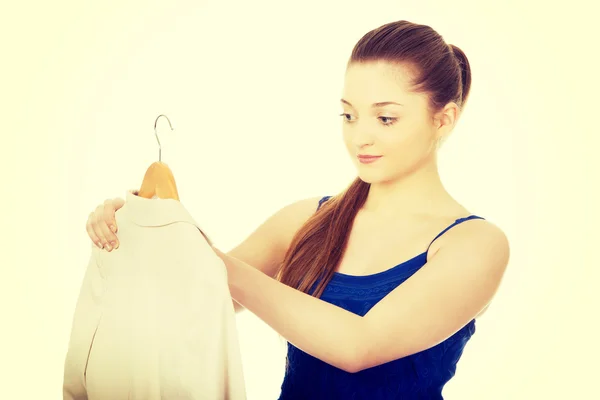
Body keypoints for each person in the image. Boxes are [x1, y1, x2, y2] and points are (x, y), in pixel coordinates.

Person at [84, 19, 510, 399]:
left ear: (444, 119)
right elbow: (200, 297)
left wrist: (204, 256)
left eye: (385, 119)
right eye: (348, 115)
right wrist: (136, 230)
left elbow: (358, 346)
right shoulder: (308, 219)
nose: (359, 137)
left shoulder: (475, 245)